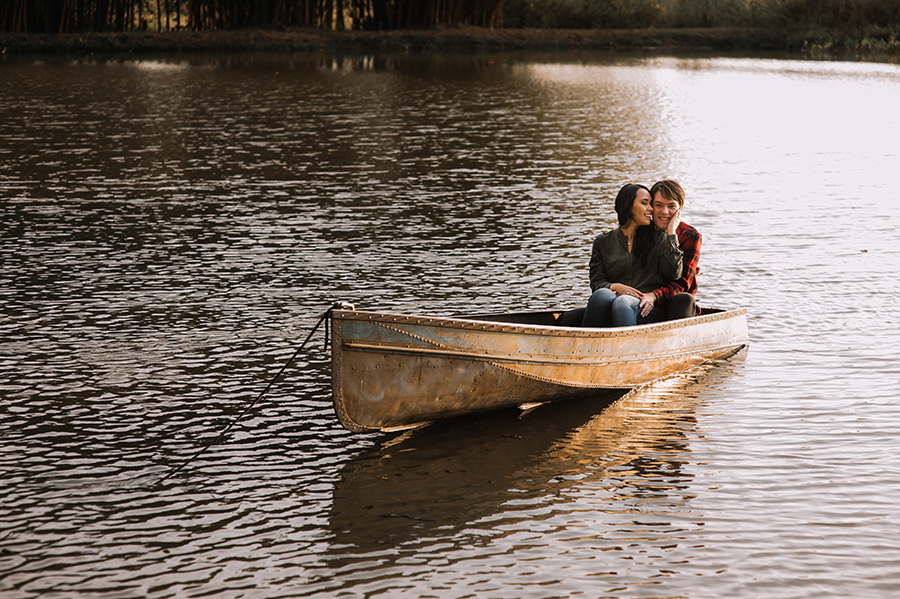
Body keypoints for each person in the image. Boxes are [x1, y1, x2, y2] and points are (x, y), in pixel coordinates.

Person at [580, 183, 683, 327]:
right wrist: (616, 287)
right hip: (612, 302)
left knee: (623, 303)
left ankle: (627, 348)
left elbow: (674, 274)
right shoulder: (602, 242)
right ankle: (586, 346)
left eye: (650, 204)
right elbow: (596, 282)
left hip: (647, 310)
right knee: (601, 295)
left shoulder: (660, 239)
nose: (651, 209)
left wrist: (671, 233)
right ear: (628, 206)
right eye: (644, 203)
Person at [638, 180, 702, 321]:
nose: (665, 212)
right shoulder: (642, 231)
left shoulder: (690, 236)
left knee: (684, 299)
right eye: (658, 205)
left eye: (671, 206)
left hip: (675, 305)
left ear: (680, 209)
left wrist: (671, 234)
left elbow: (683, 284)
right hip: (642, 300)